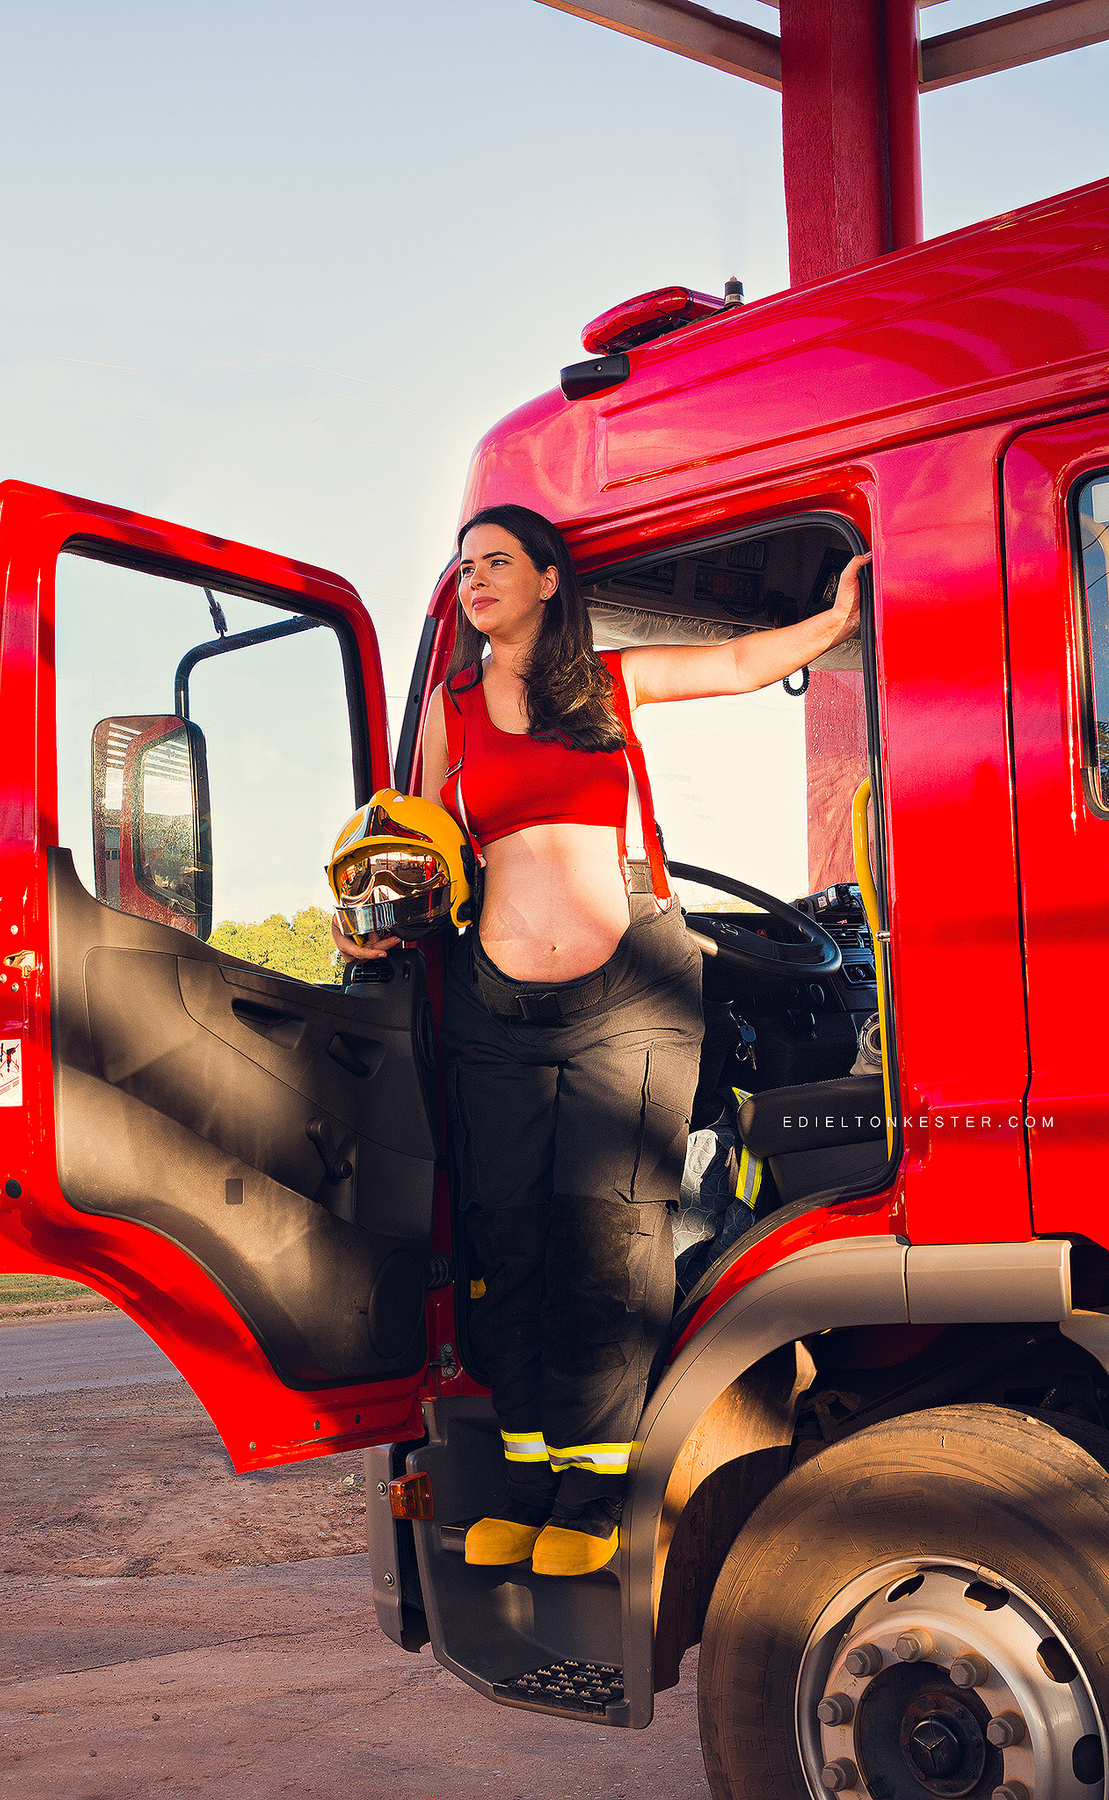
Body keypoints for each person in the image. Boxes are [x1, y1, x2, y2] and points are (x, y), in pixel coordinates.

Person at [332, 504, 867, 1577]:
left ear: (545, 579)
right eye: (463, 565)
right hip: (495, 1012)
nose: (475, 580)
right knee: (511, 1241)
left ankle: (595, 1494)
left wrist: (836, 619)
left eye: (496, 563)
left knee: (609, 1244)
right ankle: (530, 1480)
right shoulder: (451, 711)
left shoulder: (609, 686)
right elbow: (424, 845)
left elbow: (736, 663)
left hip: (630, 999)